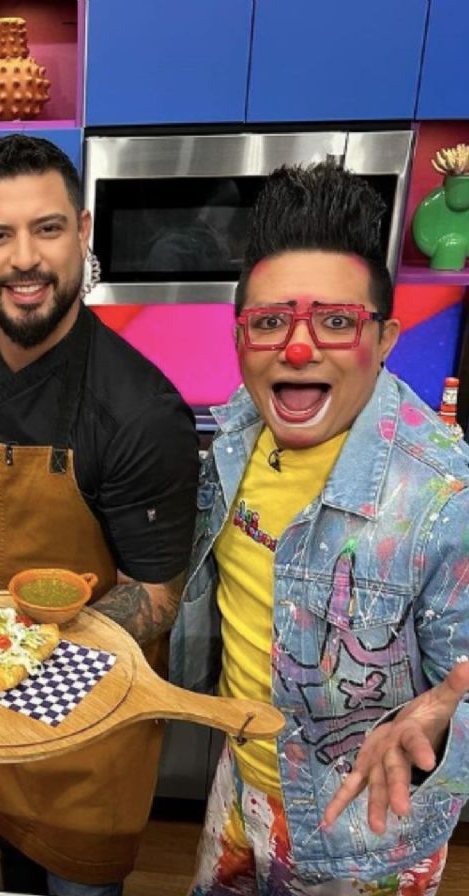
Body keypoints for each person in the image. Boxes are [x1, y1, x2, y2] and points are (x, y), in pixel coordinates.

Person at [0, 134, 199, 895]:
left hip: (90, 738)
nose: (25, 259)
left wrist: (22, 651)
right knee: (14, 870)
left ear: (83, 231)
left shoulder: (141, 412)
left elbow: (157, 598)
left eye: (47, 229)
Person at [171, 163, 469, 895]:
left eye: (337, 322)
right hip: (239, 792)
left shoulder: (443, 495)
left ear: (386, 337)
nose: (298, 349)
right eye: (270, 321)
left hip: (365, 836)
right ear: (241, 336)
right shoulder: (233, 435)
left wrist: (441, 725)